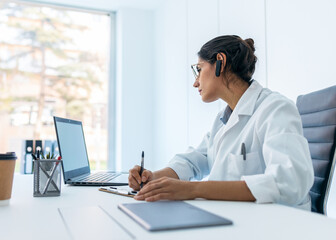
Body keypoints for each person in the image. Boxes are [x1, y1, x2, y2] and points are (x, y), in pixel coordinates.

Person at [128, 35, 314, 210]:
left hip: (274, 225)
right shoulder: (223, 119)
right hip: (232, 215)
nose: (195, 82)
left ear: (220, 62)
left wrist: (193, 190)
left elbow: (289, 183)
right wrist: (153, 178)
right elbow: (194, 161)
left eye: (199, 69)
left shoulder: (275, 109)